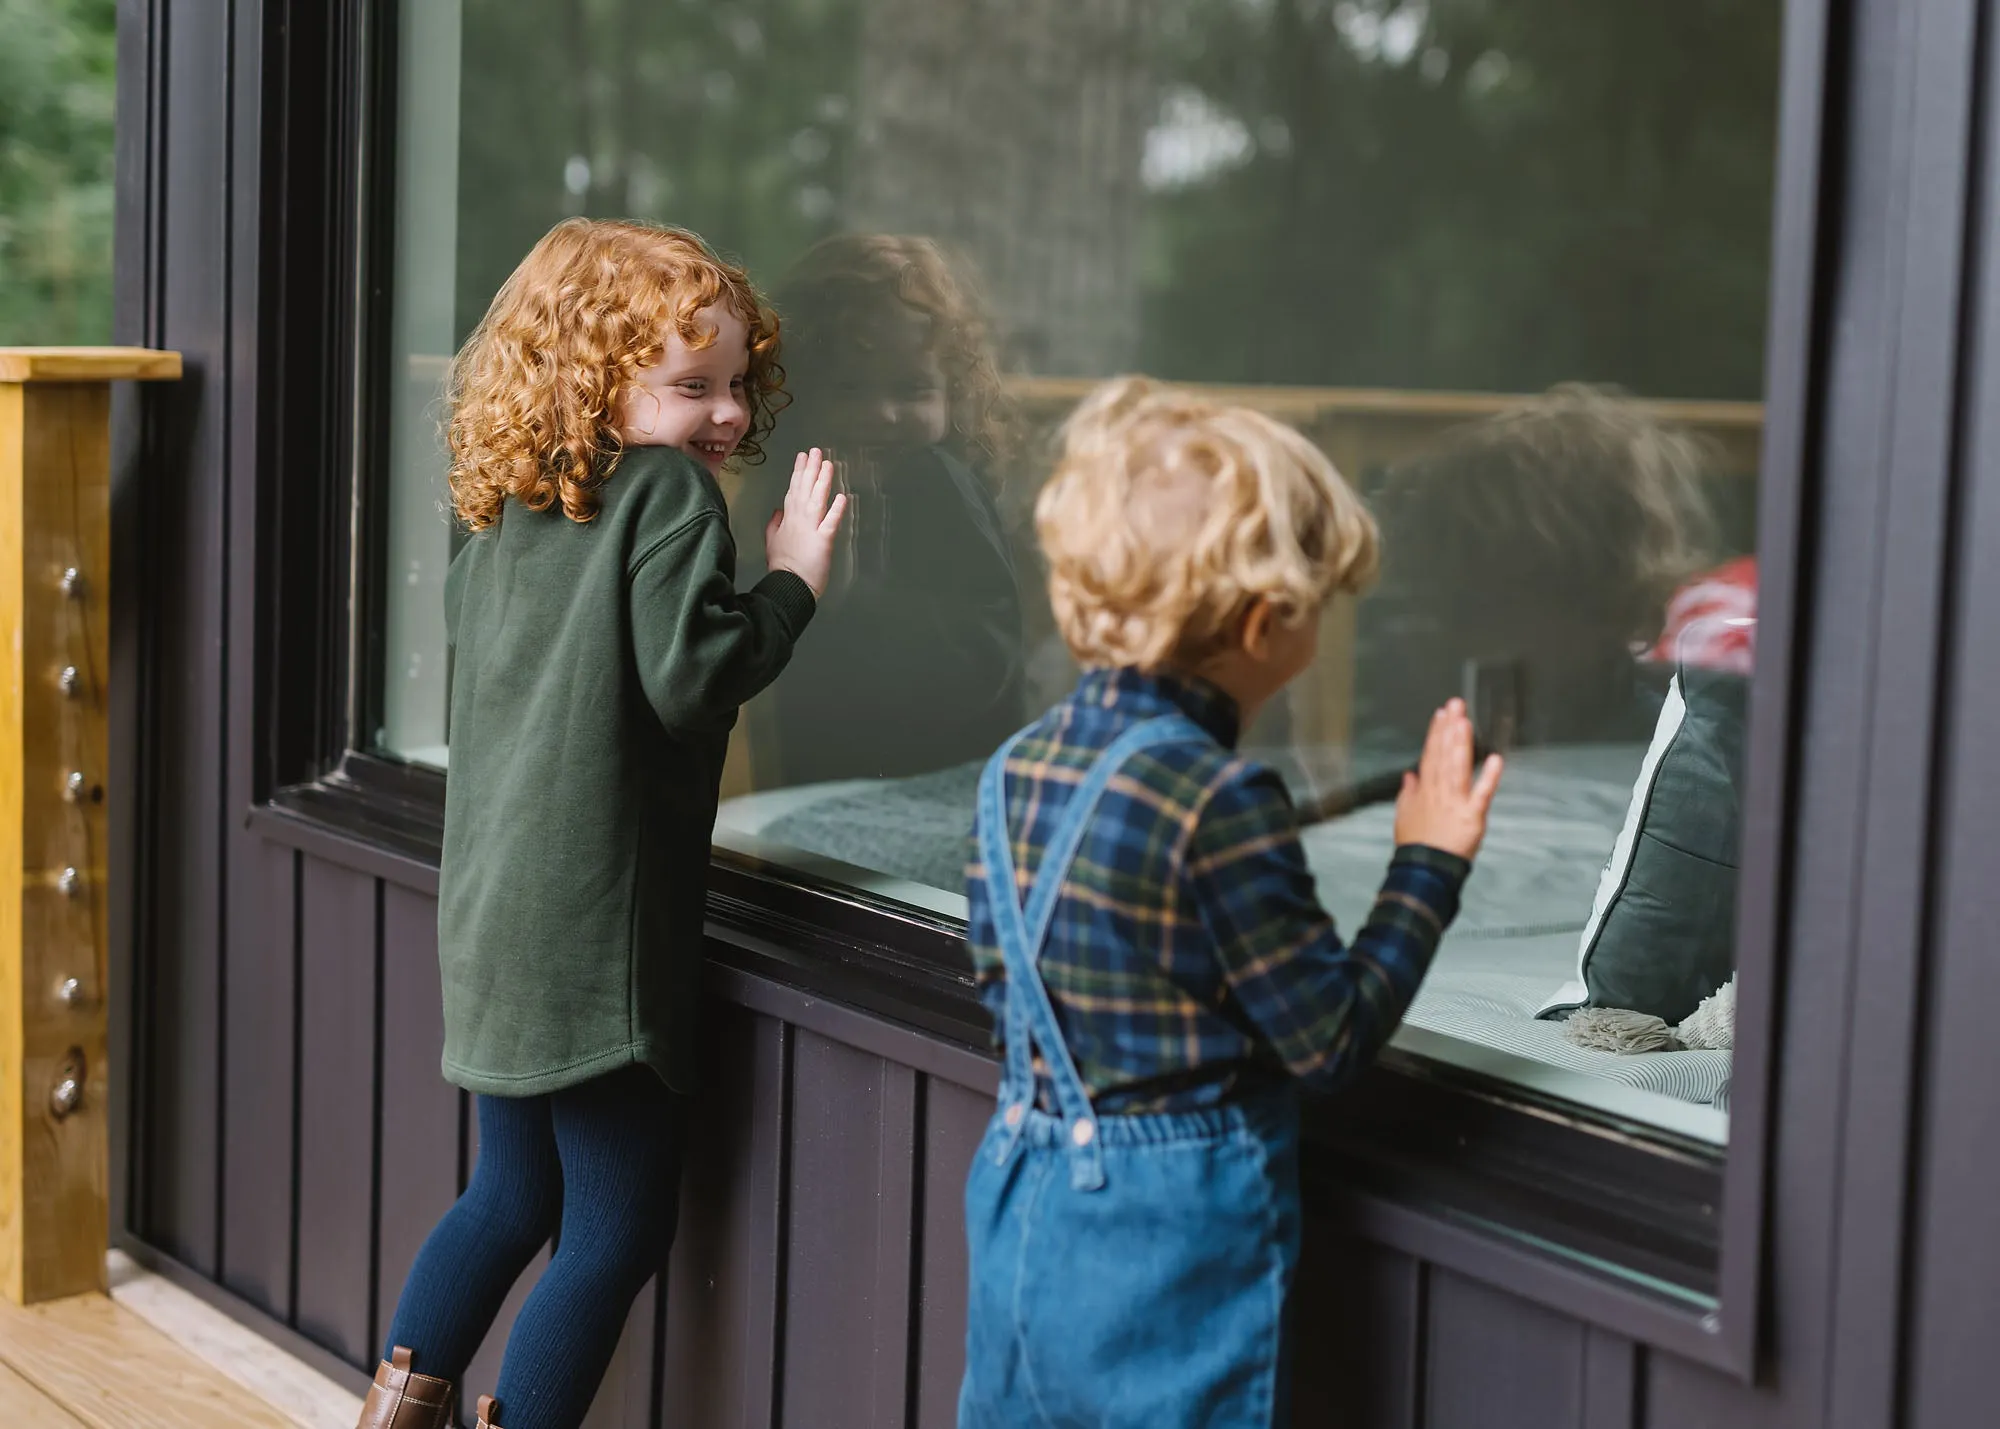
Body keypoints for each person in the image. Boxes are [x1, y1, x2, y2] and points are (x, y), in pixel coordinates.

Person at [355, 219, 846, 1429]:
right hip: (594, 936)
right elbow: (693, 677)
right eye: (691, 387)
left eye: (735, 383)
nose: (725, 413)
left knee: (507, 1198)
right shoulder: (669, 494)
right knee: (619, 1226)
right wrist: (791, 581)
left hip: (494, 916)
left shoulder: (507, 516)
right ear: (590, 382)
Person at [957, 377, 1503, 1428]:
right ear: (1264, 624)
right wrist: (1426, 863)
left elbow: (1014, 984)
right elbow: (1326, 1039)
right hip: (1162, 1233)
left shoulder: (1014, 767)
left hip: (1022, 1188)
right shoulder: (1218, 796)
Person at [734, 232, 1026, 785]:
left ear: (952, 394)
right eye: (849, 389)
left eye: (912, 390)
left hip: (936, 786)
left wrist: (849, 598)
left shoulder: (939, 483)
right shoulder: (799, 482)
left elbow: (985, 652)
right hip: (824, 779)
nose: (883, 415)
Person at [1358, 383, 1721, 748]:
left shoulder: (1668, 762)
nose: (1455, 627)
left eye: (1498, 596)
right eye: (1454, 595)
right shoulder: (1398, 752)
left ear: (1605, 601)